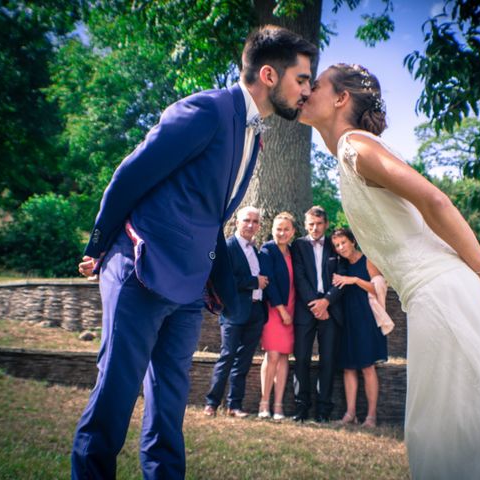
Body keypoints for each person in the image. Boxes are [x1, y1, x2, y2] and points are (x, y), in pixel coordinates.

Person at [72, 26, 315, 479]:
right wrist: (100, 246)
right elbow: (131, 175)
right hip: (140, 272)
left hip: (187, 288)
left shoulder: (254, 136)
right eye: (301, 79)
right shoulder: (207, 110)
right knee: (115, 398)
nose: (307, 90)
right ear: (268, 74)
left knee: (169, 407)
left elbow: (207, 214)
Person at [298, 63, 480, 479]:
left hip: (441, 293)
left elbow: (435, 200)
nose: (306, 90)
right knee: (453, 432)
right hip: (428, 297)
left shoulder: (355, 148)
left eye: (317, 84)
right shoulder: (350, 155)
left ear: (341, 98)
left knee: (459, 434)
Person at [204, 206, 268, 418]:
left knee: (244, 361)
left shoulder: (255, 249)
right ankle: (212, 403)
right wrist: (254, 282)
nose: (251, 225)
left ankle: (234, 405)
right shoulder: (228, 247)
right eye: (247, 220)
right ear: (237, 222)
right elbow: (224, 280)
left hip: (255, 312)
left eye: (255, 222)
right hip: (233, 312)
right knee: (227, 356)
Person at [291, 206, 344, 423]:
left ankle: (324, 410)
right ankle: (302, 407)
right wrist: (315, 304)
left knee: (328, 361)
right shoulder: (298, 245)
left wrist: (326, 302)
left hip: (331, 310)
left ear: (326, 224)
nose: (315, 228)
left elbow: (343, 276)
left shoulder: (335, 245)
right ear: (305, 225)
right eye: (311, 224)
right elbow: (299, 276)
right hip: (306, 310)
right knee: (302, 359)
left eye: (319, 224)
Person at [330, 228, 387, 428]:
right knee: (348, 367)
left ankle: (371, 416)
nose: (340, 248)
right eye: (337, 245)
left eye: (343, 243)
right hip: (347, 320)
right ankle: (350, 413)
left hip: (367, 319)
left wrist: (354, 280)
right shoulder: (341, 265)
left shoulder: (367, 260)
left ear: (353, 241)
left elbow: (378, 287)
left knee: (367, 366)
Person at [257, 212, 297, 420]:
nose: (281, 233)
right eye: (278, 228)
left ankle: (279, 405)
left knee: (283, 357)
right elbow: (269, 281)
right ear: (272, 229)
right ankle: (264, 403)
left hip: (293, 308)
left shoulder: (294, 252)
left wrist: (290, 312)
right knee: (272, 355)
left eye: (286, 229)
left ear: (293, 232)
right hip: (274, 309)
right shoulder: (267, 250)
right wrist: (281, 310)